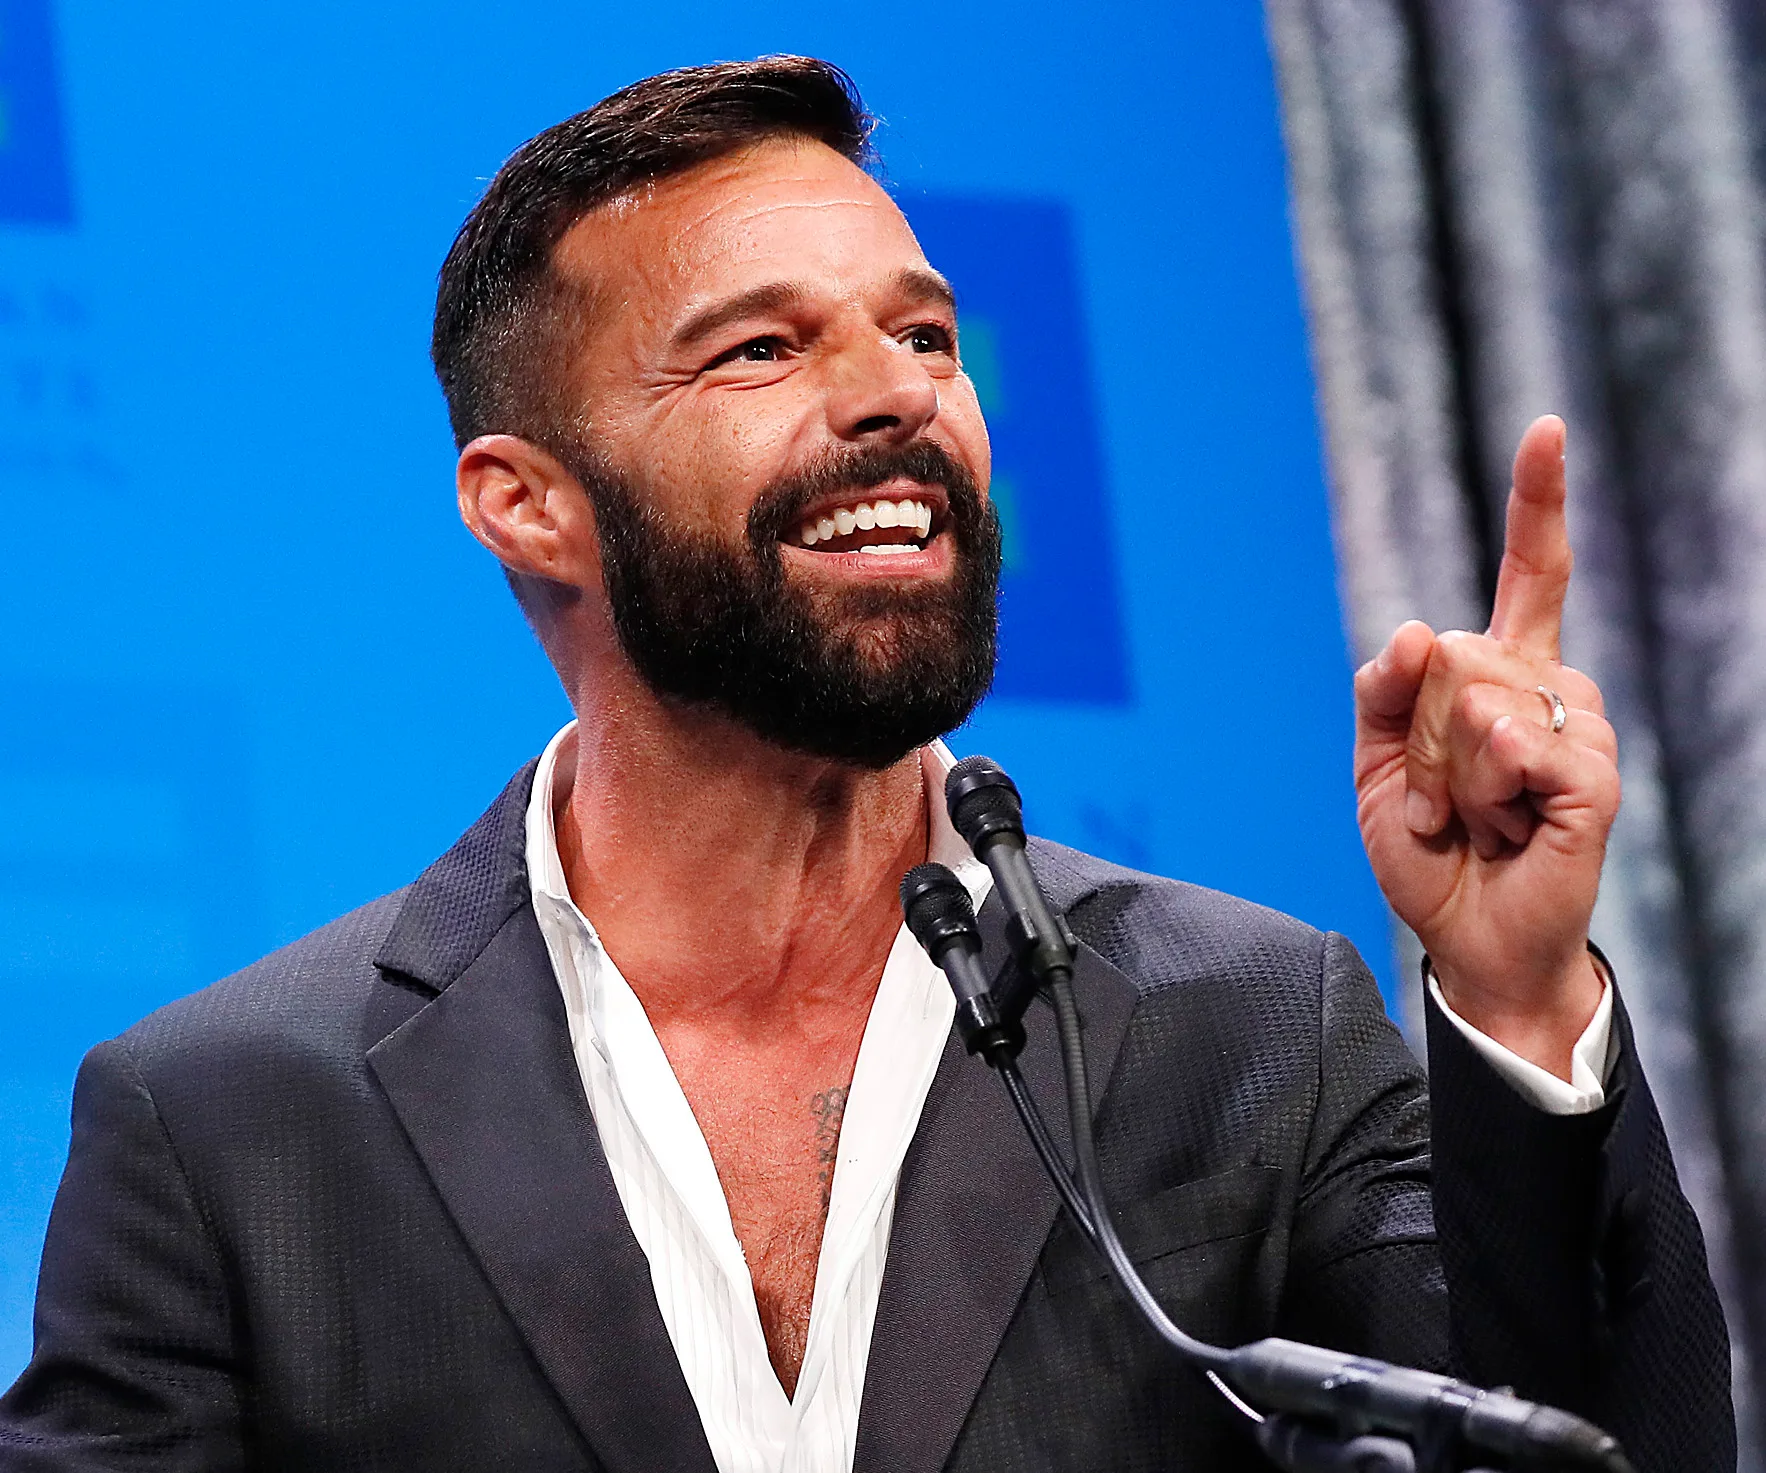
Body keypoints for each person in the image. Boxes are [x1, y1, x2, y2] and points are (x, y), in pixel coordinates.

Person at [0, 57, 1732, 1473]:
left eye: (920, 333)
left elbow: (1577, 1455)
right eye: (761, 348)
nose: (901, 395)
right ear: (526, 504)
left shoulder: (1251, 1024)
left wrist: (1511, 1003)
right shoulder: (232, 1122)